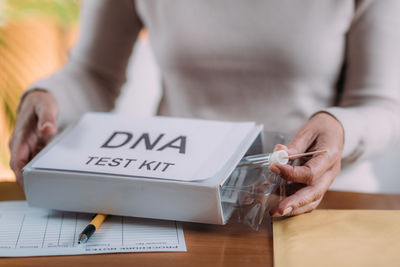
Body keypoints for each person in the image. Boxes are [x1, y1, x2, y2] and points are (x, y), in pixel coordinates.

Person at [9, 0, 400, 217]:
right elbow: (94, 73)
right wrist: (46, 97)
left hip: (317, 201)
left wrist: (339, 126)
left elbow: (380, 106)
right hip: (174, 203)